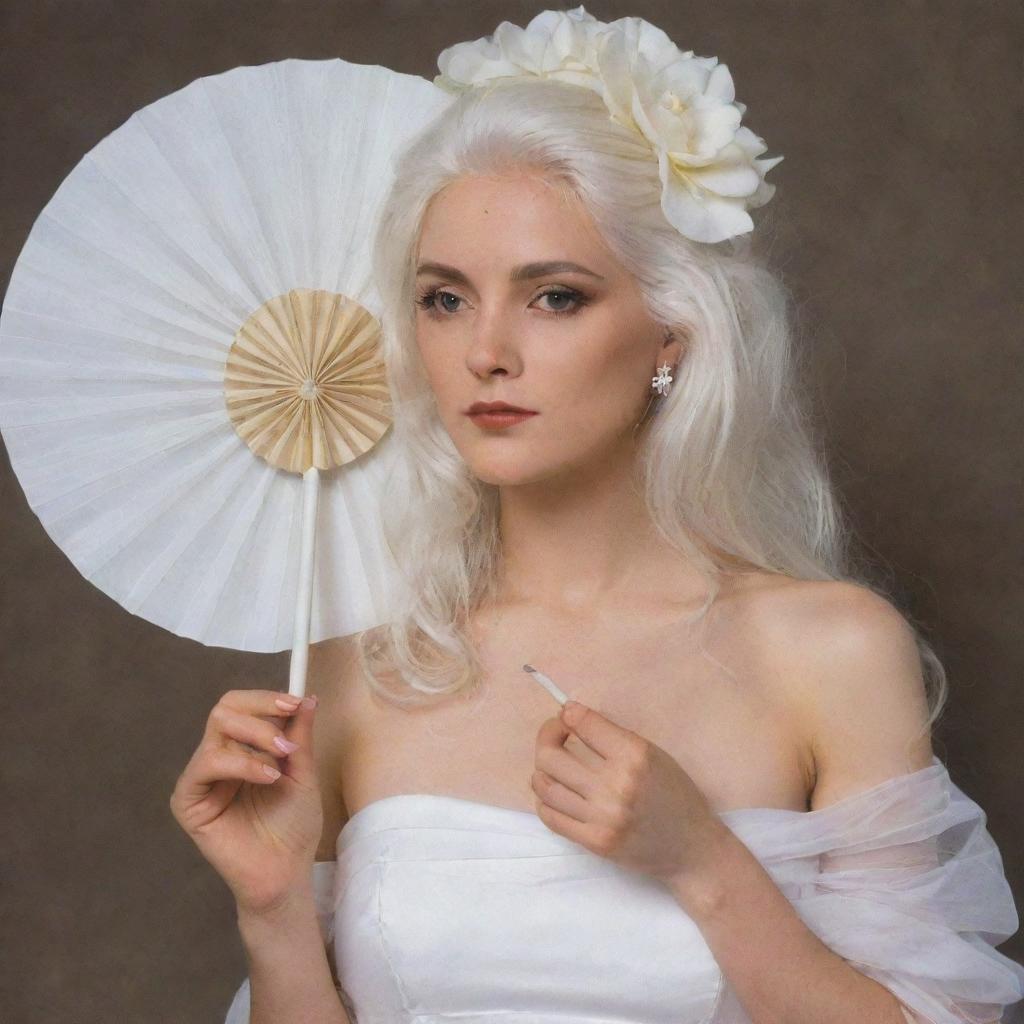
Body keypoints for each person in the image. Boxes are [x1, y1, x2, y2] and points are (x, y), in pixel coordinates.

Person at [169, 8, 1024, 1023]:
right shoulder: (360, 668)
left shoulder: (828, 651)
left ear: (671, 331)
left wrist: (703, 862)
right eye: (444, 298)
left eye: (554, 297)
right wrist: (271, 913)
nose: (485, 350)